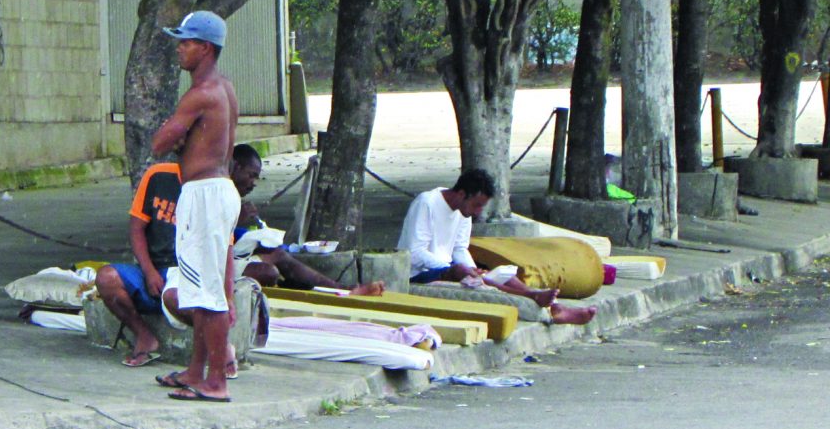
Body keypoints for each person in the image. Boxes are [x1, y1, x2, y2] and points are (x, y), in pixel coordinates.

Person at [151, 10, 241, 403]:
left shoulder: (199, 95)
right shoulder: (226, 89)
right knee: (200, 289)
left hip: (204, 195)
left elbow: (160, 143)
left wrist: (174, 130)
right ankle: (195, 370)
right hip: (217, 190)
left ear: (205, 48)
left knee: (208, 294)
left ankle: (216, 380)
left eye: (185, 42)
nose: (179, 49)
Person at [397, 169, 596, 326]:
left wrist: (472, 269)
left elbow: (459, 248)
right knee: (466, 273)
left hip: (448, 268)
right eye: (476, 205)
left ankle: (554, 306)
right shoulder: (427, 203)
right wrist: (454, 269)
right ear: (461, 194)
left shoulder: (463, 212)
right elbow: (415, 253)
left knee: (503, 273)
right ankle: (532, 295)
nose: (478, 211)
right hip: (419, 273)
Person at [228, 143, 385, 296]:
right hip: (216, 265)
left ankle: (340, 288)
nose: (253, 183)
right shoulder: (218, 193)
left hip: (231, 255)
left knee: (279, 255)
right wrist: (237, 220)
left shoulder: (232, 195)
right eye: (251, 175)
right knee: (268, 272)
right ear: (235, 167)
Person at [95, 162, 181, 367]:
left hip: (185, 274)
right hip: (154, 270)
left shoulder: (211, 183)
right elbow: (136, 229)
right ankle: (144, 336)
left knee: (178, 298)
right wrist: (149, 271)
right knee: (106, 278)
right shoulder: (158, 175)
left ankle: (218, 351)